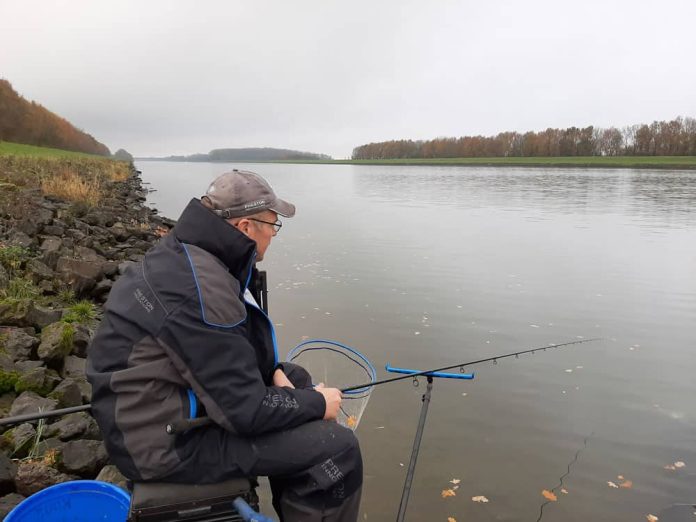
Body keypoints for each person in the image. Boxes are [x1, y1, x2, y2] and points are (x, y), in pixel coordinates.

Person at [86, 169, 363, 521]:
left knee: (296, 375)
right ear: (246, 227)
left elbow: (225, 348)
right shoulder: (202, 289)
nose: (274, 235)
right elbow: (245, 411)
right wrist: (315, 404)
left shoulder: (189, 255)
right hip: (163, 445)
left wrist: (279, 376)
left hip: (157, 407)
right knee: (338, 450)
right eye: (272, 225)